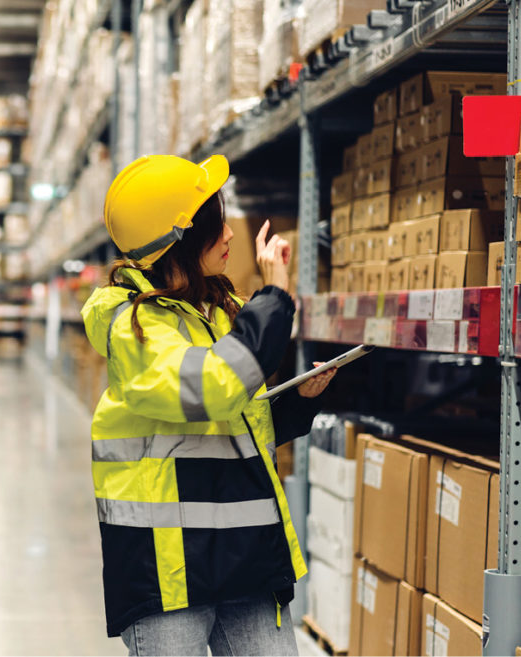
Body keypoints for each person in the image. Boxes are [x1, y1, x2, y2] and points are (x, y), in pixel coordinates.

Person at [81, 155, 336, 656]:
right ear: (179, 239)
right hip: (169, 568)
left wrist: (297, 404)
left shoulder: (221, 311)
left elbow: (234, 424)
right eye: (214, 223)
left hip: (244, 553)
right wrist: (274, 299)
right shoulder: (133, 328)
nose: (230, 236)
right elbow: (213, 388)